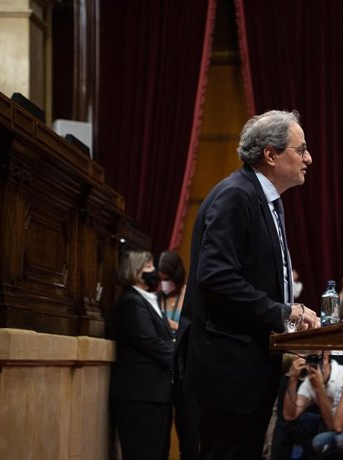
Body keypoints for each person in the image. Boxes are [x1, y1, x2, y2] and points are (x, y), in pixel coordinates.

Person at [175, 109, 321, 460]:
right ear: (271, 154)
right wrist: (282, 312)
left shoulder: (266, 200)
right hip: (229, 371)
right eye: (300, 150)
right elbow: (216, 277)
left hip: (250, 368)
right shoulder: (235, 196)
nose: (309, 158)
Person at [110, 250, 174, 460]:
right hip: (139, 395)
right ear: (135, 271)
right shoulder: (131, 300)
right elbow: (150, 341)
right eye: (148, 266)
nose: (154, 271)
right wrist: (181, 357)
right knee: (142, 453)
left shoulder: (149, 299)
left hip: (156, 393)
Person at [157, 250, 199, 459]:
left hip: (184, 374)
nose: (164, 283)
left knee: (189, 435)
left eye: (167, 278)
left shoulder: (187, 295)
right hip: (163, 375)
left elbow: (187, 328)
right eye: (161, 279)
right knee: (160, 437)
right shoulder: (158, 299)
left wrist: (166, 325)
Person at [282, 353, 343, 459]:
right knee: (300, 422)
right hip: (329, 427)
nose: (313, 366)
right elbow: (289, 415)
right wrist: (293, 379)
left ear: (326, 359)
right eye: (310, 361)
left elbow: (335, 427)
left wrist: (320, 389)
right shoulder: (310, 381)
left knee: (338, 439)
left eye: (317, 360)